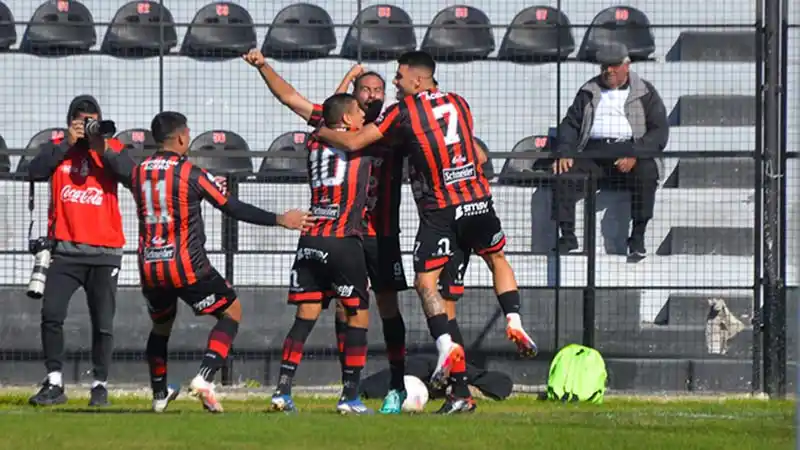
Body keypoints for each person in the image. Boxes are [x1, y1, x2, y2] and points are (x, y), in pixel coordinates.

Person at [314, 51, 537, 414]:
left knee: (425, 283)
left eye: (399, 77)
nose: (396, 84)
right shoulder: (459, 103)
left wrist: (321, 131)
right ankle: (475, 371)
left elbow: (355, 142)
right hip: (479, 202)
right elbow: (477, 155)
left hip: (442, 212)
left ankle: (446, 347)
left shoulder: (402, 113)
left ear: (418, 80)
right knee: (491, 262)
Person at [242, 50, 410, 414]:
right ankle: (349, 392)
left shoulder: (337, 133)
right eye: (365, 90)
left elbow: (333, 114)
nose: (373, 95)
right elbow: (294, 98)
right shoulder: (357, 132)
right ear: (355, 98)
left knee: (379, 308)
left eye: (379, 89)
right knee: (353, 313)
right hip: (346, 234)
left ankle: (393, 384)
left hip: (368, 233)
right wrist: (265, 66)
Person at [131, 111, 310, 413]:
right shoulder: (190, 172)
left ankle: (160, 393)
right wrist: (280, 219)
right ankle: (204, 377)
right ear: (181, 138)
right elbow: (231, 206)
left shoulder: (138, 172)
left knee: (161, 327)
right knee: (232, 311)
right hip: (186, 264)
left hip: (150, 265)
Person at [268, 94, 374, 414]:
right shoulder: (361, 143)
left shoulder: (315, 142)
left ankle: (282, 391)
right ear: (346, 120)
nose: (364, 118)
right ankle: (350, 396)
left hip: (311, 237)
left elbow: (323, 109)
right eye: (359, 113)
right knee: (358, 314)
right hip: (342, 239)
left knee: (305, 318)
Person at [27, 95, 135, 408]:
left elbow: (131, 176)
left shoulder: (110, 147)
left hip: (105, 252)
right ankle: (55, 382)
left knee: (103, 322)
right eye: (81, 120)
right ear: (70, 122)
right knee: (51, 315)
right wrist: (66, 145)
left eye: (91, 120)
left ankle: (99, 385)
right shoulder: (57, 147)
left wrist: (100, 144)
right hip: (65, 250)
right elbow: (34, 171)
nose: (87, 126)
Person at [551, 42, 669, 260]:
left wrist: (635, 152)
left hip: (630, 149)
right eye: (605, 66)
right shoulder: (589, 91)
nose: (609, 71)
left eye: (614, 66)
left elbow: (659, 131)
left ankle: (637, 237)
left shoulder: (645, 92)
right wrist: (565, 151)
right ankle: (566, 236)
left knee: (647, 171)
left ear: (627, 65)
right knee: (563, 171)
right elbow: (570, 124)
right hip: (594, 152)